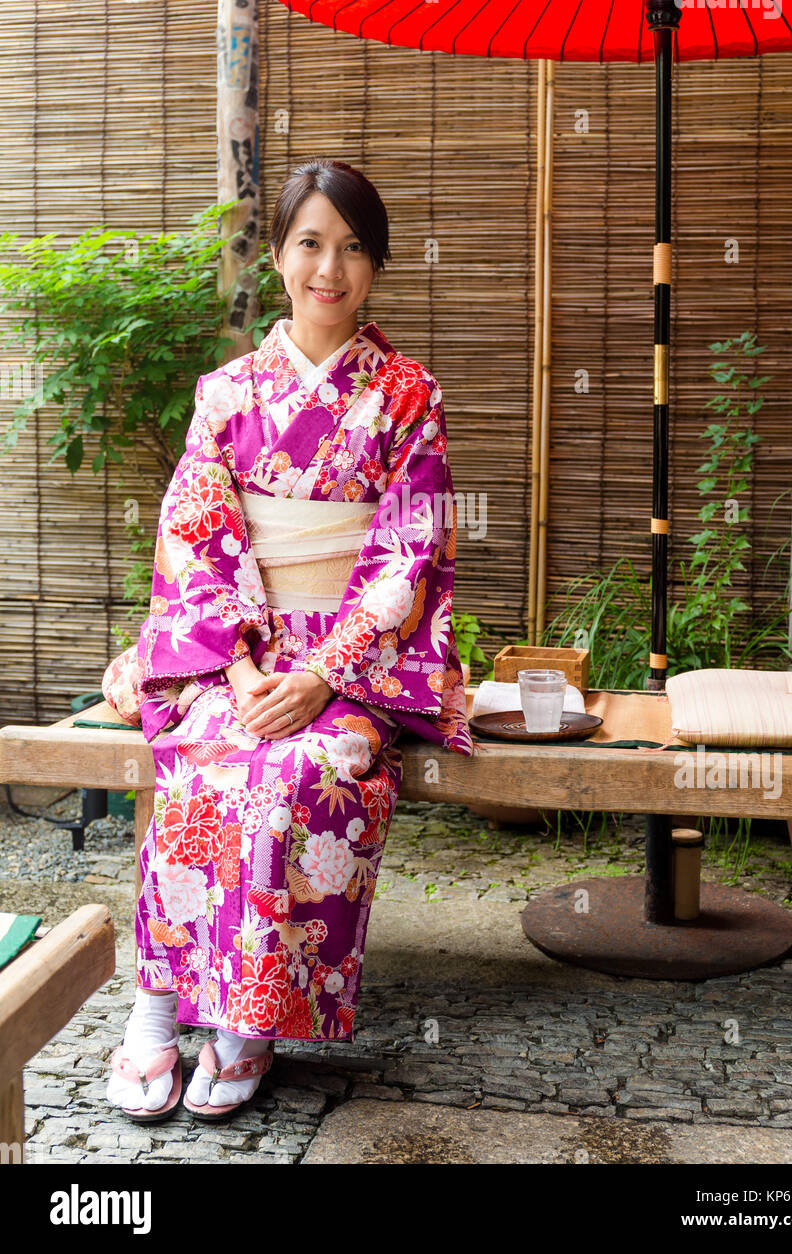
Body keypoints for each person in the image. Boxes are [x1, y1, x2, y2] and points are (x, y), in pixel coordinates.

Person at [104, 157, 474, 1122]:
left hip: (352, 659)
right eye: (311, 242)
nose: (331, 268)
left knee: (302, 777)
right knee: (202, 771)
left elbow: (408, 550)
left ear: (376, 267)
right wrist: (237, 663)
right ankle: (152, 1011)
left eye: (354, 248)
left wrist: (320, 676)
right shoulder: (226, 393)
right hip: (243, 645)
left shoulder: (407, 394)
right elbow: (198, 536)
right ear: (277, 257)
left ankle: (245, 1024)